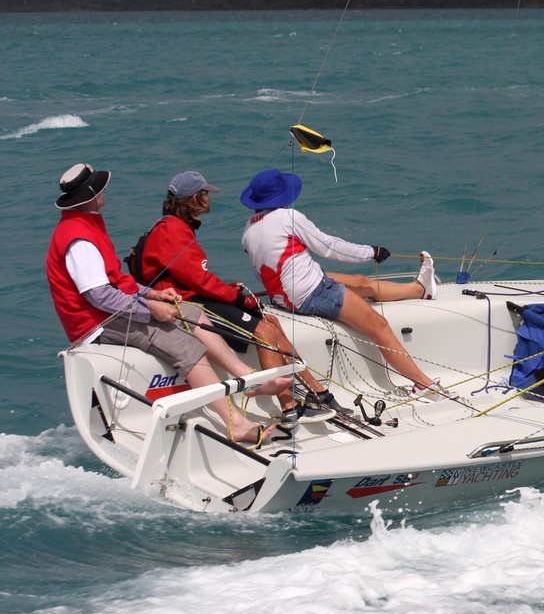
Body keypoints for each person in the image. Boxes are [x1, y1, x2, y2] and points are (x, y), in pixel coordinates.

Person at [46, 162, 289, 446]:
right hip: (96, 323)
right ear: (91, 196)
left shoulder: (84, 226)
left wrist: (152, 294)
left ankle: (248, 378)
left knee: (192, 311)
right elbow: (99, 296)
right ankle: (235, 424)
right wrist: (150, 309)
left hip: (108, 311)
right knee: (185, 345)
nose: (105, 192)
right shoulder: (78, 238)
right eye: (101, 188)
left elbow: (115, 280)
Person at [137, 170, 344, 427]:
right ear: (193, 199)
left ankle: (317, 393)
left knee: (270, 322)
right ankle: (290, 408)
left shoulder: (171, 227)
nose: (208, 199)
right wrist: (238, 298)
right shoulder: (173, 231)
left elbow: (189, 277)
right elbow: (199, 281)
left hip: (191, 297)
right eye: (205, 194)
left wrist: (226, 289)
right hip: (186, 306)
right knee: (264, 331)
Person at [239, 168, 455, 401]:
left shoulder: (248, 230)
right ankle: (424, 385)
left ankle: (419, 289)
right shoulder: (287, 217)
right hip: (313, 292)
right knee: (379, 325)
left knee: (360, 283)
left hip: (285, 297)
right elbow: (328, 247)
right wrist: (370, 252)